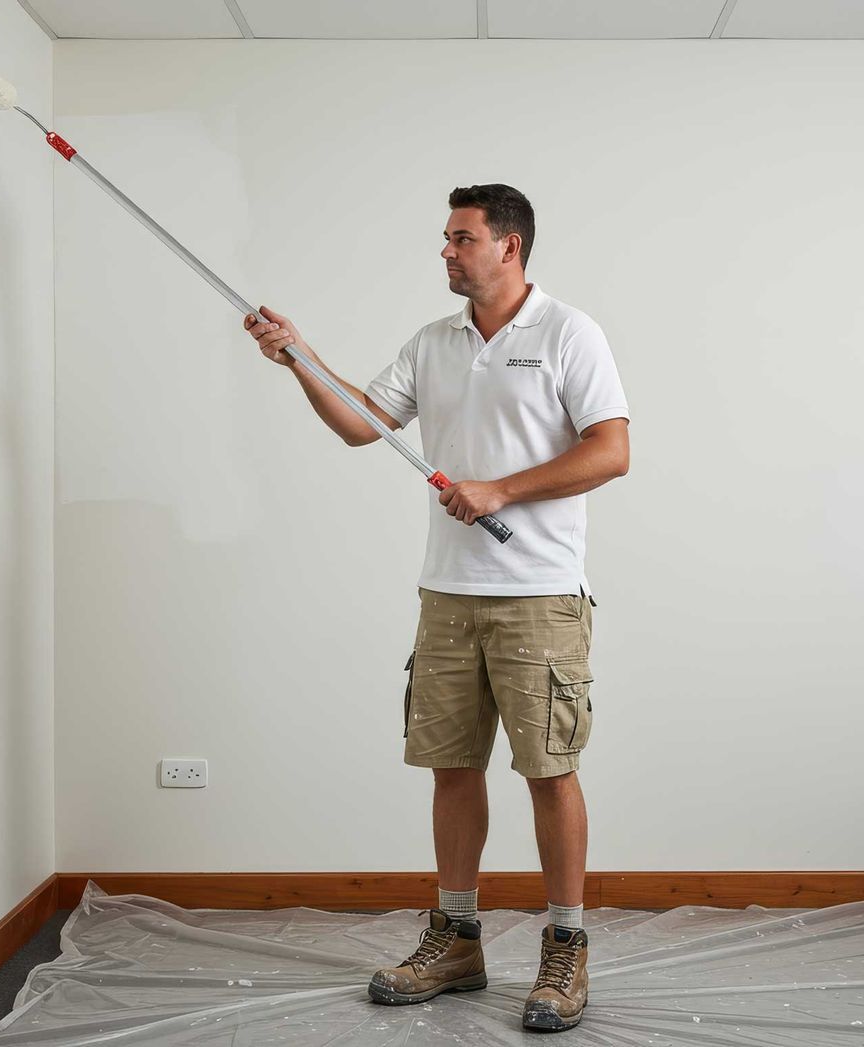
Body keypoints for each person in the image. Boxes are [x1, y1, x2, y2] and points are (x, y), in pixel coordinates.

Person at [243, 183, 630, 1032]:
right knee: (452, 768)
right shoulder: (434, 342)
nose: (447, 251)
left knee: (550, 771)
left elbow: (612, 450)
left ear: (509, 246)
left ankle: (567, 947)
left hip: (539, 595)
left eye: (462, 238)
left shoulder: (569, 333)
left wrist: (501, 490)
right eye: (447, 238)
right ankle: (456, 939)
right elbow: (363, 423)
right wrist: (299, 356)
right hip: (448, 593)